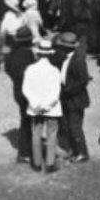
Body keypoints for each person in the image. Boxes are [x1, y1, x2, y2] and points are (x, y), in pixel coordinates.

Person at [21, 39, 62, 172]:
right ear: (50, 54)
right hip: (51, 108)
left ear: (38, 54)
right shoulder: (55, 70)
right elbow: (56, 92)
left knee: (36, 133)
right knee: (51, 134)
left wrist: (36, 104)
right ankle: (50, 163)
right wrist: (46, 106)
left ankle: (37, 163)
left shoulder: (30, 69)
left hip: (35, 108)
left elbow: (26, 89)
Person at [56, 31, 90, 163]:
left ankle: (82, 152)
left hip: (75, 99)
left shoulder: (78, 60)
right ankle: (73, 149)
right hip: (66, 96)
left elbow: (83, 80)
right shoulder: (67, 57)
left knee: (75, 127)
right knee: (66, 124)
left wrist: (68, 90)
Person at [4, 25, 35, 163]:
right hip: (29, 92)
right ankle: (24, 152)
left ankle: (26, 150)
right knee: (28, 121)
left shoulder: (11, 52)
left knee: (25, 119)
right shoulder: (28, 54)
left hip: (17, 90)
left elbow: (7, 69)